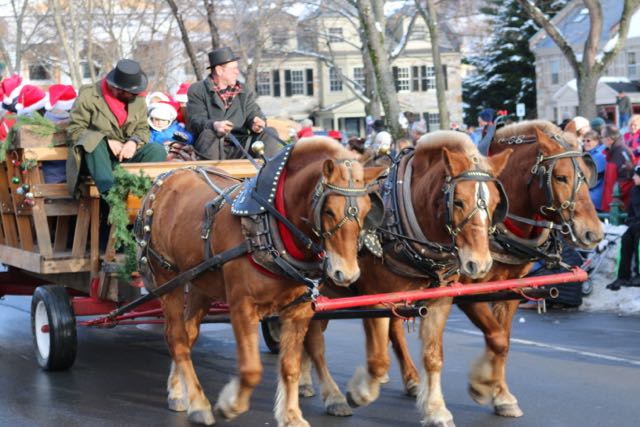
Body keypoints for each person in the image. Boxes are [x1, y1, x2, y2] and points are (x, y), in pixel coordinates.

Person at [66, 59, 167, 197]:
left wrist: (134, 142)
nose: (136, 95)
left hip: (123, 157)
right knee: (94, 141)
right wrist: (106, 141)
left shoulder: (138, 99)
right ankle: (112, 198)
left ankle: (140, 196)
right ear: (118, 89)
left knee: (157, 149)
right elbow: (74, 130)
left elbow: (143, 128)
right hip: (96, 161)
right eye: (132, 93)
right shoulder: (89, 96)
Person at [187, 46, 281, 160]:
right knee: (208, 134)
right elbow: (196, 120)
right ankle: (212, 171)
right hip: (212, 145)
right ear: (219, 70)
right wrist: (214, 125)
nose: (237, 72)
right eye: (233, 69)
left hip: (242, 145)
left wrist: (256, 122)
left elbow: (253, 112)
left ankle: (267, 170)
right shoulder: (197, 90)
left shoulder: (245, 90)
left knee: (270, 132)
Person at [606, 165, 640, 290]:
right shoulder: (634, 190)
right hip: (635, 224)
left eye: (636, 175)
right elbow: (631, 212)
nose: (633, 177)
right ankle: (623, 276)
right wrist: (630, 223)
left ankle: (639, 274)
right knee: (625, 238)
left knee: (638, 238)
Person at [600, 124, 634, 211]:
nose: (601, 140)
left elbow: (627, 180)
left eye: (602, 137)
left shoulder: (622, 152)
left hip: (619, 204)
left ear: (609, 139)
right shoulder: (611, 152)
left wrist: (615, 198)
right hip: (612, 202)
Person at [581, 130, 606, 211]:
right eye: (583, 141)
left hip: (594, 197)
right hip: (588, 194)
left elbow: (594, 180)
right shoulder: (586, 154)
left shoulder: (599, 156)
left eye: (588, 140)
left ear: (596, 142)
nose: (585, 143)